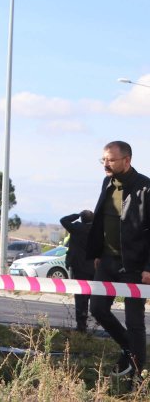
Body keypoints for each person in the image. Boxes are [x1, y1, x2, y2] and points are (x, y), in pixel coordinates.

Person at [88, 141, 150, 379]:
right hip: (106, 261)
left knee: (135, 321)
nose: (106, 164)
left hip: (135, 266)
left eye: (111, 160)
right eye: (103, 159)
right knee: (98, 308)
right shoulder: (107, 183)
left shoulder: (145, 188)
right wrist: (97, 253)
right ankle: (129, 349)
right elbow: (103, 219)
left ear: (127, 160)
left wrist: (148, 268)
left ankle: (136, 374)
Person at [60, 209, 95, 332]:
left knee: (80, 297)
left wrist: (77, 215)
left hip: (79, 268)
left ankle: (81, 325)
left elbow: (63, 220)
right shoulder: (97, 230)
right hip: (93, 269)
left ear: (82, 219)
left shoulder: (77, 228)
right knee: (93, 297)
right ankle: (94, 322)